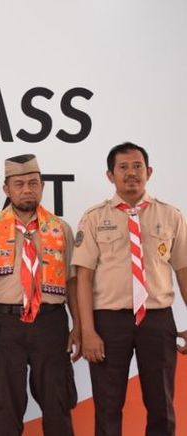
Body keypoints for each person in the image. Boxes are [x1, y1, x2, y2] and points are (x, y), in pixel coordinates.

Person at [73, 142, 187, 436]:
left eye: (137, 166)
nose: (131, 173)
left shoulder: (171, 215)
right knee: (108, 406)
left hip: (157, 319)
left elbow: (183, 271)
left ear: (149, 172)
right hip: (109, 322)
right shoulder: (94, 217)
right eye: (123, 167)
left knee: (162, 405)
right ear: (110, 175)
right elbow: (83, 278)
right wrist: (88, 330)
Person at [0, 154, 80, 436]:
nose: (27, 189)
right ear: (7, 189)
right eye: (19, 184)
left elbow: (72, 282)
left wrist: (79, 325)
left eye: (33, 183)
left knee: (57, 403)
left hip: (50, 324)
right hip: (5, 325)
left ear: (42, 186)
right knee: (3, 406)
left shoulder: (60, 229)